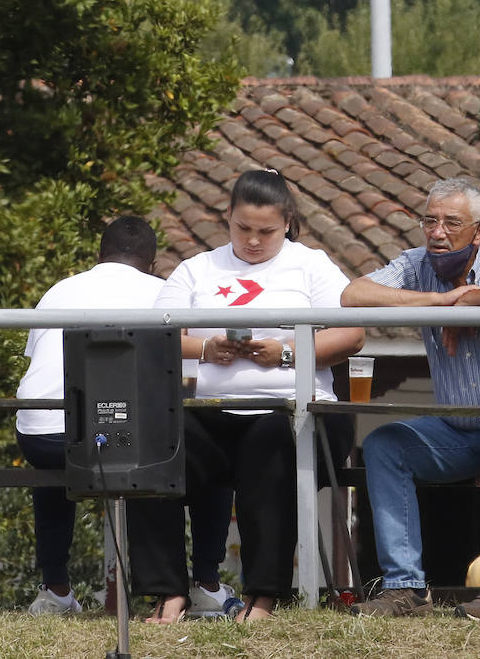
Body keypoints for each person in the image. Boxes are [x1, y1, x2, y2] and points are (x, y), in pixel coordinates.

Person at [128, 170, 363, 623]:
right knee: (152, 440)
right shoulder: (198, 268)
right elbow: (152, 337)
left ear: (288, 222)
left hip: (297, 412)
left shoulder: (311, 265)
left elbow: (352, 335)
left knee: (271, 439)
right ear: (228, 219)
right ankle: (168, 591)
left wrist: (288, 354)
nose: (254, 241)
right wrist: (207, 349)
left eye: (267, 232)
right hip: (214, 414)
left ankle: (264, 594)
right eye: (243, 229)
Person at [344, 177, 480, 621]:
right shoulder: (417, 263)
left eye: (451, 222)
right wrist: (441, 303)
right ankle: (404, 589)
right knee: (386, 445)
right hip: (459, 430)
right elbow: (353, 295)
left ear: (479, 230)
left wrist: (474, 301)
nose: (437, 232)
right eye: (429, 221)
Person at [15, 215, 237, 618]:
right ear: (153, 264)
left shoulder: (59, 290)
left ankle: (55, 591)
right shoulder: (163, 293)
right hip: (117, 442)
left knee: (66, 447)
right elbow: (184, 381)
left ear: (99, 257)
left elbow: (40, 365)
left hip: (39, 436)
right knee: (214, 457)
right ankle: (205, 583)